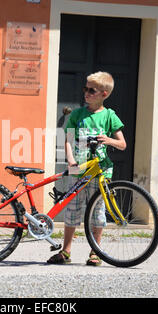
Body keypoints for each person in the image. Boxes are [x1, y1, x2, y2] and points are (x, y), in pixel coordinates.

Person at [47, 71, 126, 266]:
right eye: (85, 89)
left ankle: (95, 251)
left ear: (104, 94)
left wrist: (108, 140)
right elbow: (68, 139)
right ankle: (66, 251)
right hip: (78, 168)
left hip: (100, 171)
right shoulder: (77, 114)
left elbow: (122, 144)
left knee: (97, 212)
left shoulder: (109, 116)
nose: (87, 93)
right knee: (72, 210)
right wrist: (70, 160)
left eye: (92, 90)